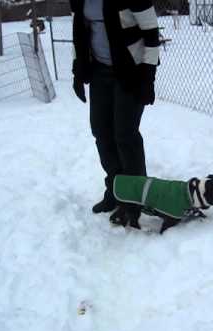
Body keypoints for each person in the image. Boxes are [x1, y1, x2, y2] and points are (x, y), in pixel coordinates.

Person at [70, 0, 160, 217]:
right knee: (101, 132)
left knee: (125, 134)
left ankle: (137, 196)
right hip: (100, 70)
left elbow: (151, 33)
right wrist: (77, 70)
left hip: (131, 71)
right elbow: (79, 32)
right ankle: (117, 189)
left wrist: (148, 76)